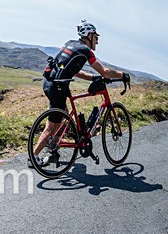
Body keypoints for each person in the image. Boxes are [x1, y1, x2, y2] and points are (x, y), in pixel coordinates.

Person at [31, 20, 130, 167]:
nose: (97, 41)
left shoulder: (70, 44)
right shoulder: (85, 50)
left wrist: (92, 78)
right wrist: (123, 75)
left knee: (63, 113)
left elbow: (73, 70)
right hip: (57, 86)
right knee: (52, 125)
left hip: (49, 81)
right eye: (96, 37)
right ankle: (33, 158)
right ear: (89, 36)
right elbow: (105, 72)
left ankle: (53, 146)